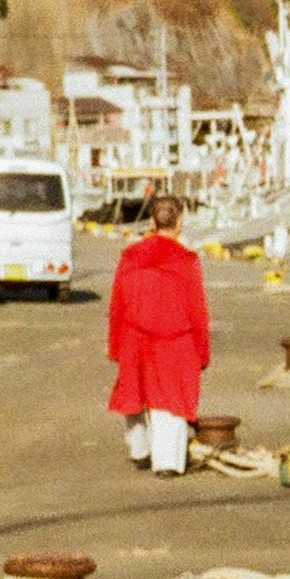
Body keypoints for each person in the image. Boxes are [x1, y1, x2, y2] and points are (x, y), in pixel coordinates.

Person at [106, 192, 211, 475]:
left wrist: (115, 345)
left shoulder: (130, 256)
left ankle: (140, 449)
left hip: (134, 335)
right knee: (170, 399)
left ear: (152, 221)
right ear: (178, 223)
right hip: (175, 338)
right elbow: (197, 309)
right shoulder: (186, 260)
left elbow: (117, 305)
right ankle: (166, 462)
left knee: (134, 393)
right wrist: (202, 351)